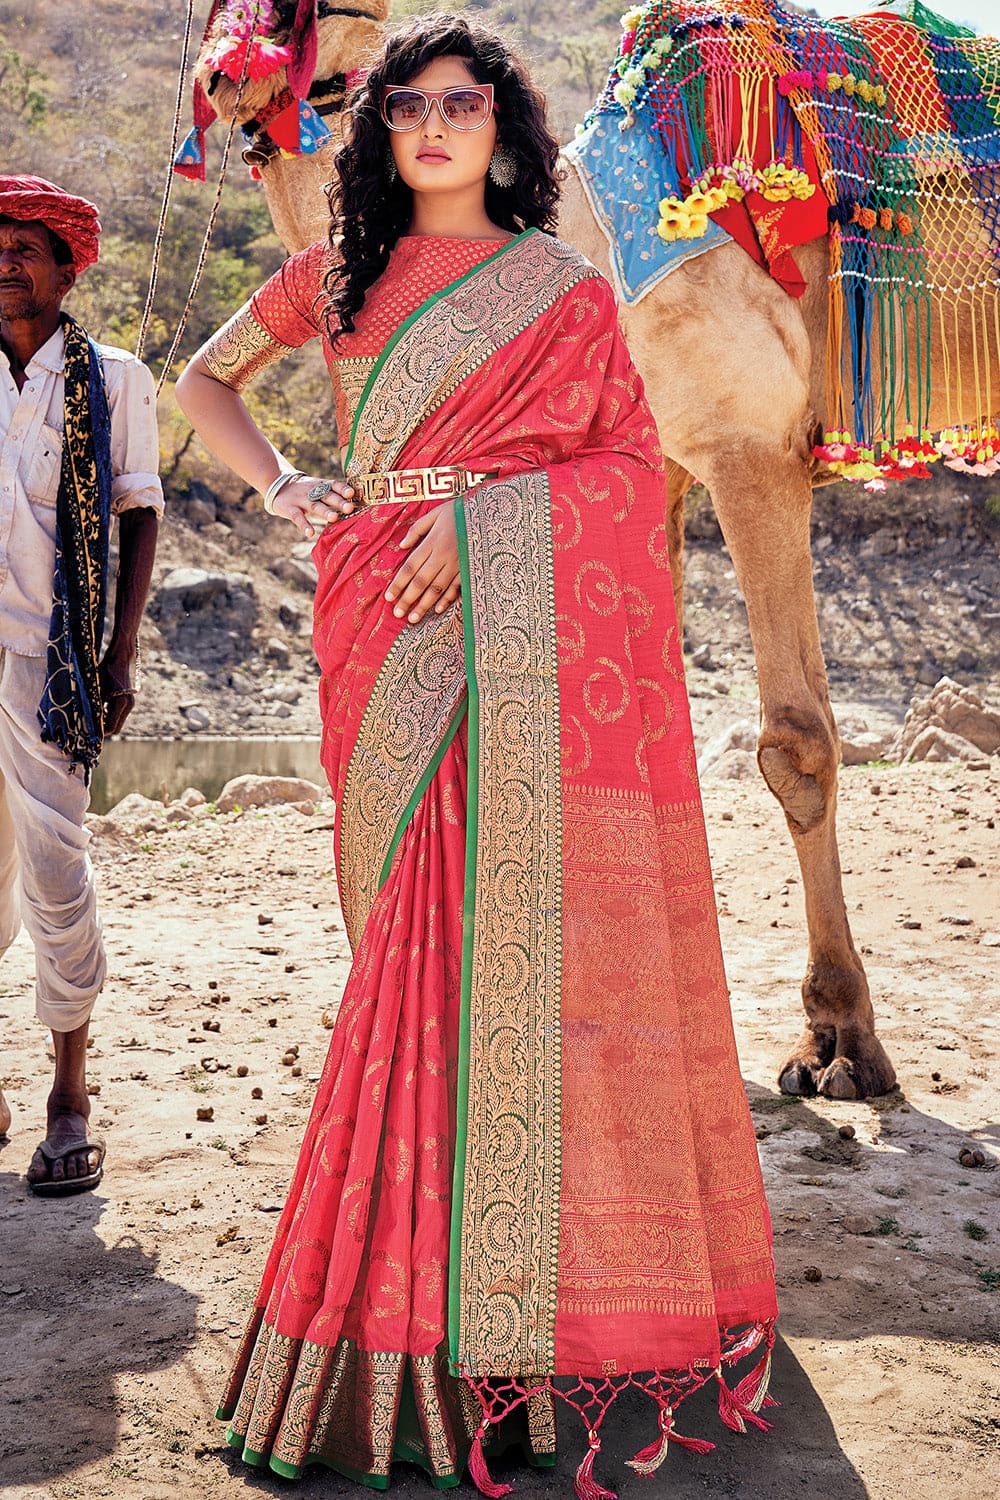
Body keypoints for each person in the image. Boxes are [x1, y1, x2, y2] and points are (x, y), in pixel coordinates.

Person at [176, 14, 777, 1492]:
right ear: (379, 132)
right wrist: (289, 494)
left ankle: (513, 1308)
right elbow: (203, 383)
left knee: (498, 952)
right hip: (378, 616)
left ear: (506, 131)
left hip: (515, 629)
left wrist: (480, 525)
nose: (437, 126)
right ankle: (421, 1313)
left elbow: (627, 469)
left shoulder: (569, 294)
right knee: (404, 946)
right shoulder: (338, 279)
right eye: (410, 107)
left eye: (467, 104)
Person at [0, 176, 162, 1196]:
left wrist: (118, 656)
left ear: (68, 269)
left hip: (49, 662)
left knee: (57, 874)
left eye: (28, 246)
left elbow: (139, 514)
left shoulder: (115, 379)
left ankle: (68, 1097)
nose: (8, 261)